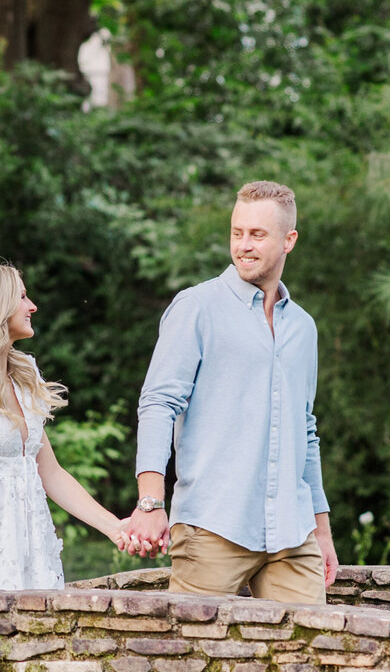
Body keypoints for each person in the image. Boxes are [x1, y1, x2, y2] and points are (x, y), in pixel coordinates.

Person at [128, 180, 338, 603]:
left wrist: (321, 532)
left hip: (292, 537)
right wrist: (150, 503)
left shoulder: (303, 328)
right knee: (191, 661)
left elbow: (306, 432)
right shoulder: (196, 307)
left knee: (308, 661)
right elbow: (158, 404)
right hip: (212, 526)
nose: (243, 245)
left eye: (257, 234)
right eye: (237, 233)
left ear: (288, 240)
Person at [0, 263, 135, 595]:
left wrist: (115, 528)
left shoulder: (23, 375)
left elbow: (51, 473)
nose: (32, 307)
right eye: (22, 297)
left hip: (29, 540)